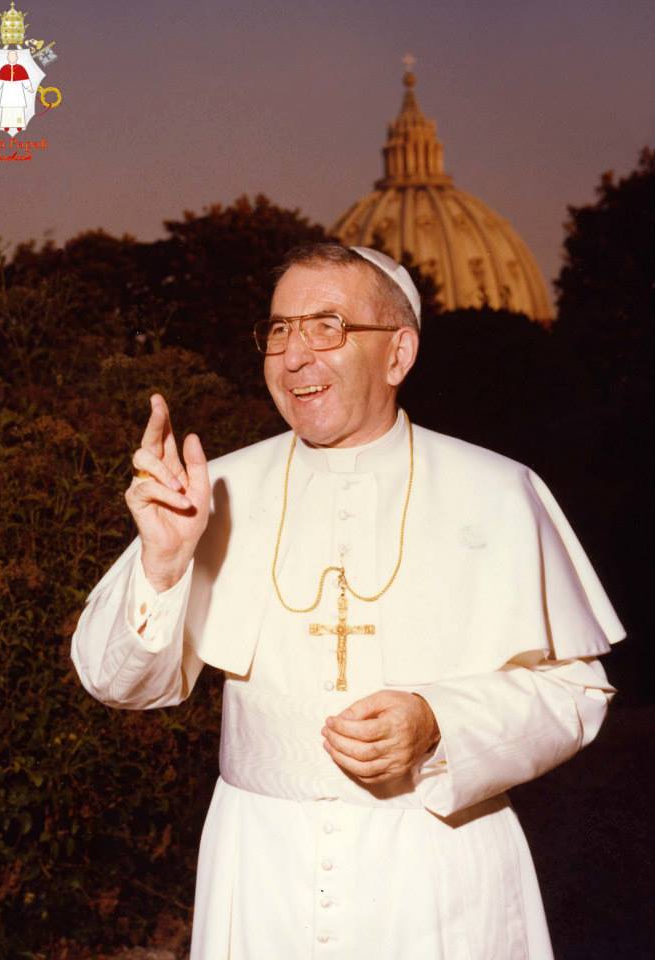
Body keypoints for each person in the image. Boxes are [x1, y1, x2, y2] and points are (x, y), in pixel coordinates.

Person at [72, 244, 624, 959]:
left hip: (438, 873)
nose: (294, 356)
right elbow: (114, 683)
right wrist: (165, 561)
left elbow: (575, 693)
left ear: (398, 354)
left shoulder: (498, 490)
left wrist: (439, 722)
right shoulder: (212, 490)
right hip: (260, 871)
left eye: (326, 326)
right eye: (279, 329)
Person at [0, 49, 32, 132]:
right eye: (10, 56)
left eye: (13, 56)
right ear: (7, 57)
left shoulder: (21, 68)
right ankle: (6, 125)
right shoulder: (4, 68)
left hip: (18, 90)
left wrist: (29, 88)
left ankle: (19, 125)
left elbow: (25, 80)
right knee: (7, 109)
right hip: (7, 91)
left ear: (17, 57)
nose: (12, 57)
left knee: (18, 110)